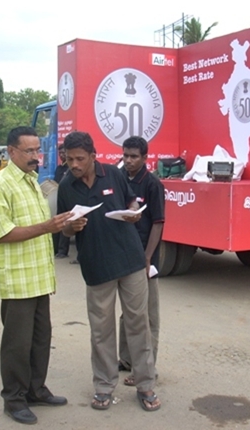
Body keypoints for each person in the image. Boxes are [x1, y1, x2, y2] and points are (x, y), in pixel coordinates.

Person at [57, 131, 161, 412]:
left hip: (130, 261)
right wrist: (71, 227)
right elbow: (63, 229)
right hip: (96, 266)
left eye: (80, 159)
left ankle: (145, 384)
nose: (74, 165)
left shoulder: (113, 174)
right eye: (69, 159)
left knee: (138, 323)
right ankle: (104, 386)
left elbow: (131, 201)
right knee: (101, 330)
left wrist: (134, 211)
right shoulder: (66, 186)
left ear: (93, 156)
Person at [0, 126, 73, 425]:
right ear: (12, 152)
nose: (36, 156)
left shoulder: (32, 181)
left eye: (38, 150)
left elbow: (39, 226)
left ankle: (36, 389)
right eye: (30, 151)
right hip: (17, 280)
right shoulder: (0, 184)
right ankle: (14, 399)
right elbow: (3, 233)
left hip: (39, 278)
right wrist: (47, 227)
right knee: (17, 345)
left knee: (40, 338)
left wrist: (62, 225)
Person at [117, 136, 164, 388]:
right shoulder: (120, 179)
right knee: (128, 312)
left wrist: (147, 258)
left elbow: (158, 223)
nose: (128, 161)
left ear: (145, 158)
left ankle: (146, 367)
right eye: (125, 155)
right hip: (124, 257)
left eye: (134, 156)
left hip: (145, 260)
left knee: (148, 316)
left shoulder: (152, 184)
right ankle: (126, 359)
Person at [52, 144, 70, 259]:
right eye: (60, 153)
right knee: (56, 222)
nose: (62, 155)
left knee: (65, 224)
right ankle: (55, 249)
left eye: (64, 153)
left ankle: (63, 250)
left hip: (68, 199)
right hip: (58, 198)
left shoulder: (70, 169)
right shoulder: (59, 168)